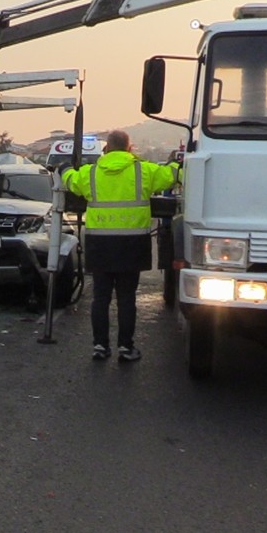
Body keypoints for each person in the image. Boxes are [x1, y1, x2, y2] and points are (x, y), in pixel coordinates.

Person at [61, 130, 181, 362]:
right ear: (129, 148)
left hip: (100, 244)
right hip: (131, 243)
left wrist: (65, 169)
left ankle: (99, 346)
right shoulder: (143, 170)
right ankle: (126, 348)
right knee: (126, 298)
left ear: (106, 148)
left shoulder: (91, 173)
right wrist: (178, 163)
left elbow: (70, 181)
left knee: (100, 297)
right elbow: (170, 175)